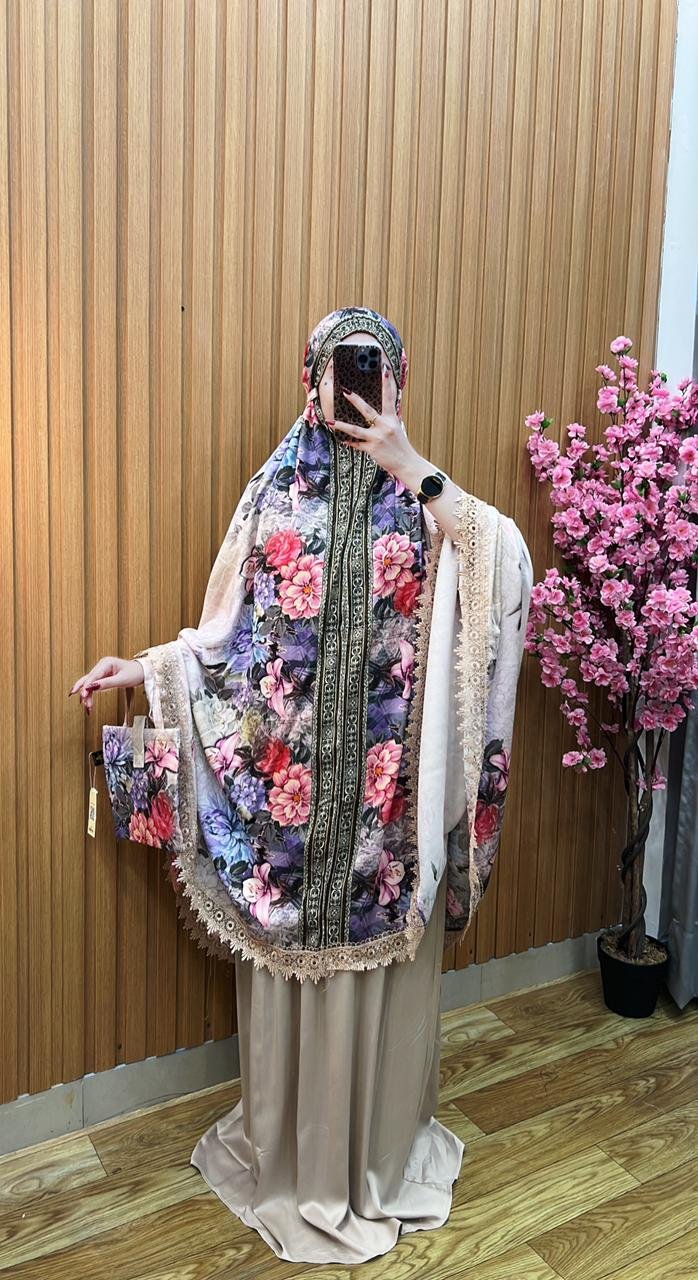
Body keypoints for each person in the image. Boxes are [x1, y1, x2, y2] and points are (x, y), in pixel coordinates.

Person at [69, 305, 533, 1264]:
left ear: (399, 381)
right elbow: (225, 639)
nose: (355, 387)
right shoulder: (272, 497)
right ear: (309, 380)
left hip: (390, 820)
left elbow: (506, 569)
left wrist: (409, 461)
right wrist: (147, 670)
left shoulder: (430, 502)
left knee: (382, 972)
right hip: (291, 823)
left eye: (374, 370)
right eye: (339, 369)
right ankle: (290, 1161)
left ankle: (377, 1159)